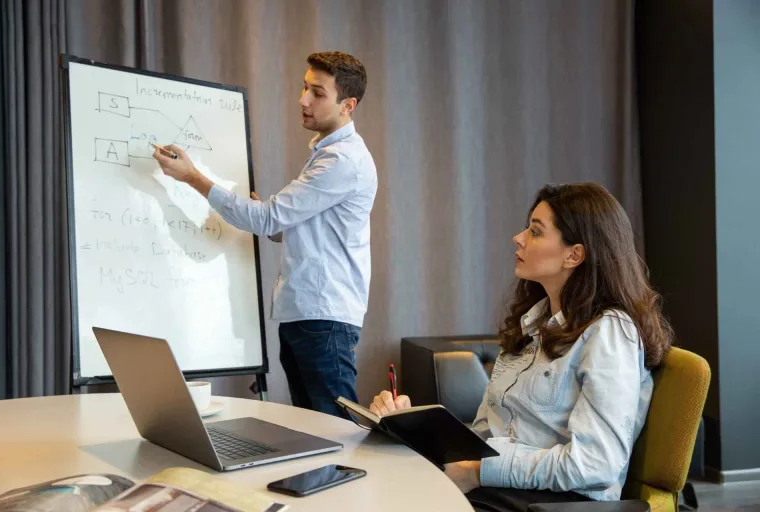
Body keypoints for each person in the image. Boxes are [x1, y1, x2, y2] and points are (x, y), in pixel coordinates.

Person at [370, 183, 672, 511]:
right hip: (501, 488)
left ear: (575, 254)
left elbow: (595, 464)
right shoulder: (534, 323)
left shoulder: (609, 333)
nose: (519, 237)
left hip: (558, 502)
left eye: (536, 231)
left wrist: (479, 471)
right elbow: (487, 434)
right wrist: (411, 427)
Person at [153, 51, 377, 418]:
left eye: (317, 93)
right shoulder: (327, 154)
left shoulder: (342, 160)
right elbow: (291, 227)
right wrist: (269, 217)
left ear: (348, 104)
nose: (303, 100)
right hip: (306, 315)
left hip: (323, 319)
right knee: (314, 430)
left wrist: (192, 177)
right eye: (304, 88)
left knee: (337, 433)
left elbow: (269, 221)